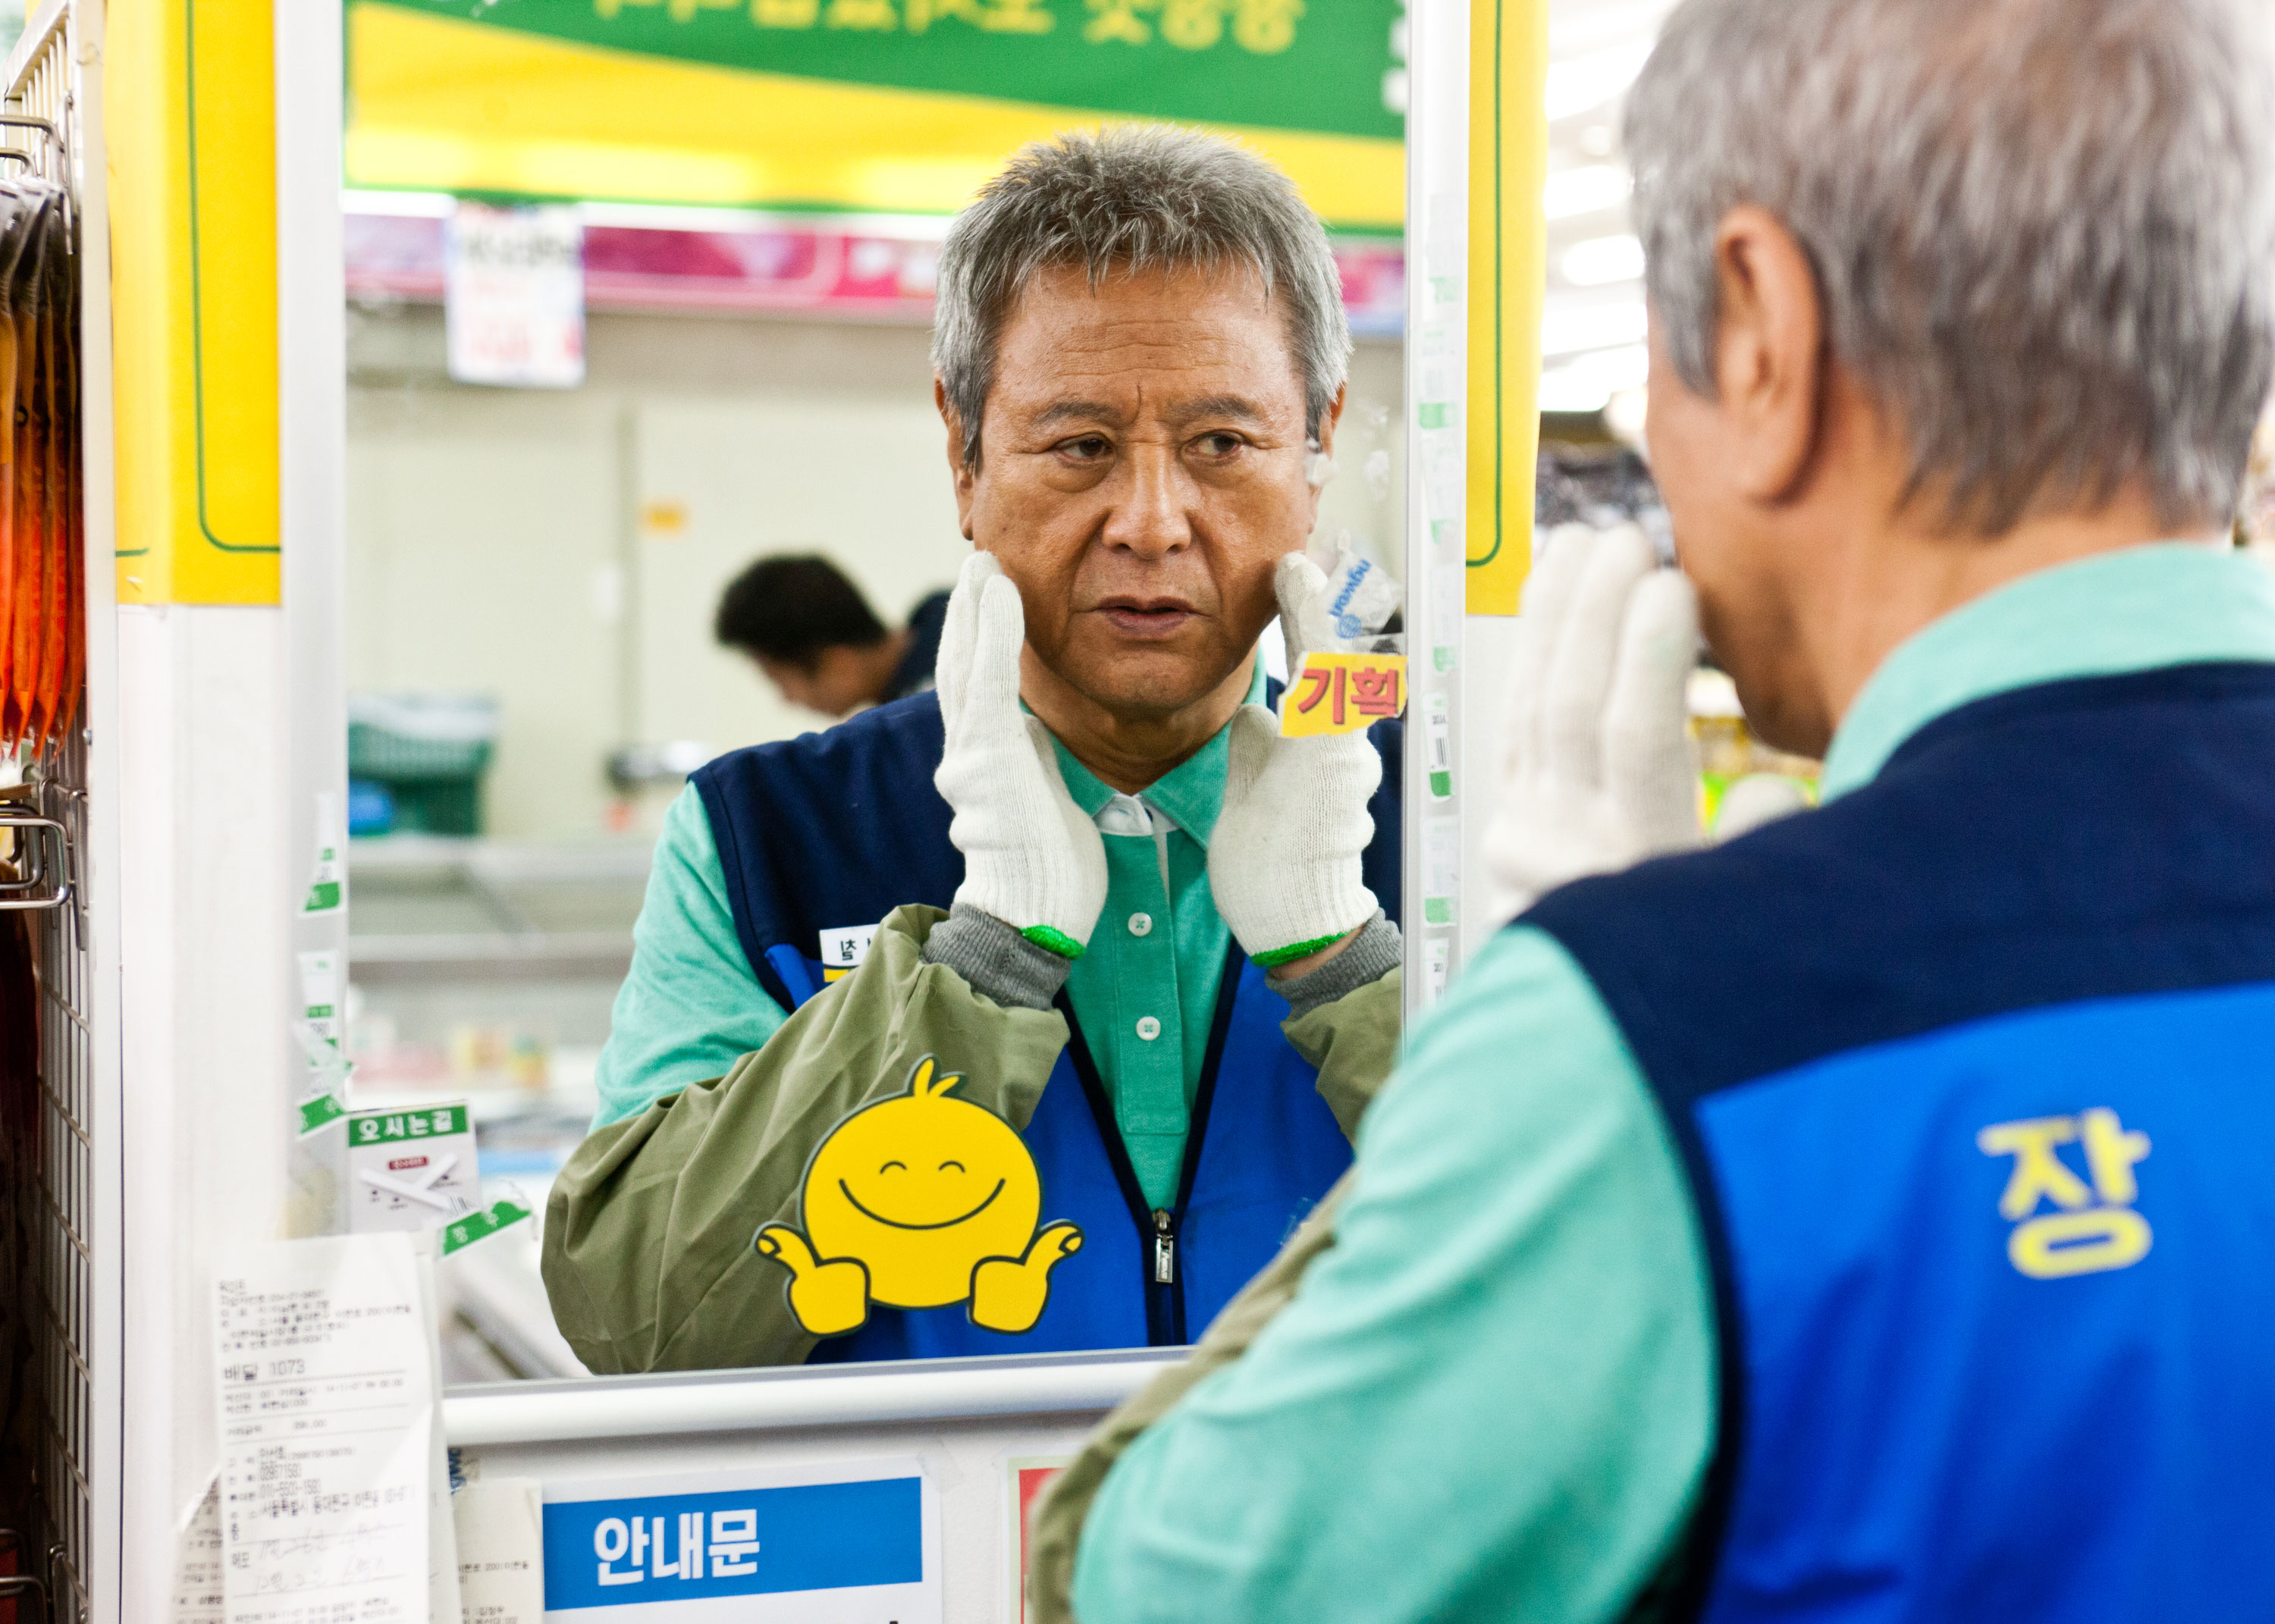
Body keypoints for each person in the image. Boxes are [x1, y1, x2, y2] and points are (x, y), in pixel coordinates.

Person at [1032, 0, 2275, 1619]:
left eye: (1657, 369)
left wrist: (1543, 1059)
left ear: (1759, 328)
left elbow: (1145, 1584)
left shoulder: (1676, 1037)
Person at [542, 127, 1406, 1371]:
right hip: (921, 1566)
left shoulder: (1442, 824)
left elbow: (1614, 1291)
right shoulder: (772, 835)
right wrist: (980, 969)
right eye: (1079, 446)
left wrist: (1348, 967)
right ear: (964, 452)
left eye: (1224, 443)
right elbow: (641, 1317)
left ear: (1317, 446)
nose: (1153, 523)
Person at [713, 553, 949, 718]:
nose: (787, 700)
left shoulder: (934, 703)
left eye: (778, 680)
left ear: (838, 662)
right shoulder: (943, 616)